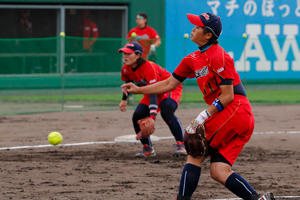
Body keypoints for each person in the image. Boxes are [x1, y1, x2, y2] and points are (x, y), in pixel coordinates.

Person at [121, 13, 275, 200]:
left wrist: (204, 115)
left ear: (208, 34)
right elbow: (169, 84)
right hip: (232, 114)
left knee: (194, 151)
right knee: (219, 170)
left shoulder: (219, 56)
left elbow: (228, 95)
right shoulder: (191, 59)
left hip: (235, 109)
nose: (193, 28)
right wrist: (137, 90)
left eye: (197, 26)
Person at [119, 41, 186, 157]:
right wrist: (124, 100)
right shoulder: (126, 69)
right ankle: (148, 148)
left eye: (128, 54)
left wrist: (152, 117)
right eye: (124, 54)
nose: (125, 56)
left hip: (169, 88)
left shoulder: (148, 67)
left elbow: (154, 92)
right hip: (151, 91)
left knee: (166, 110)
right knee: (137, 116)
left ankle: (182, 145)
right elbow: (128, 83)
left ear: (138, 55)